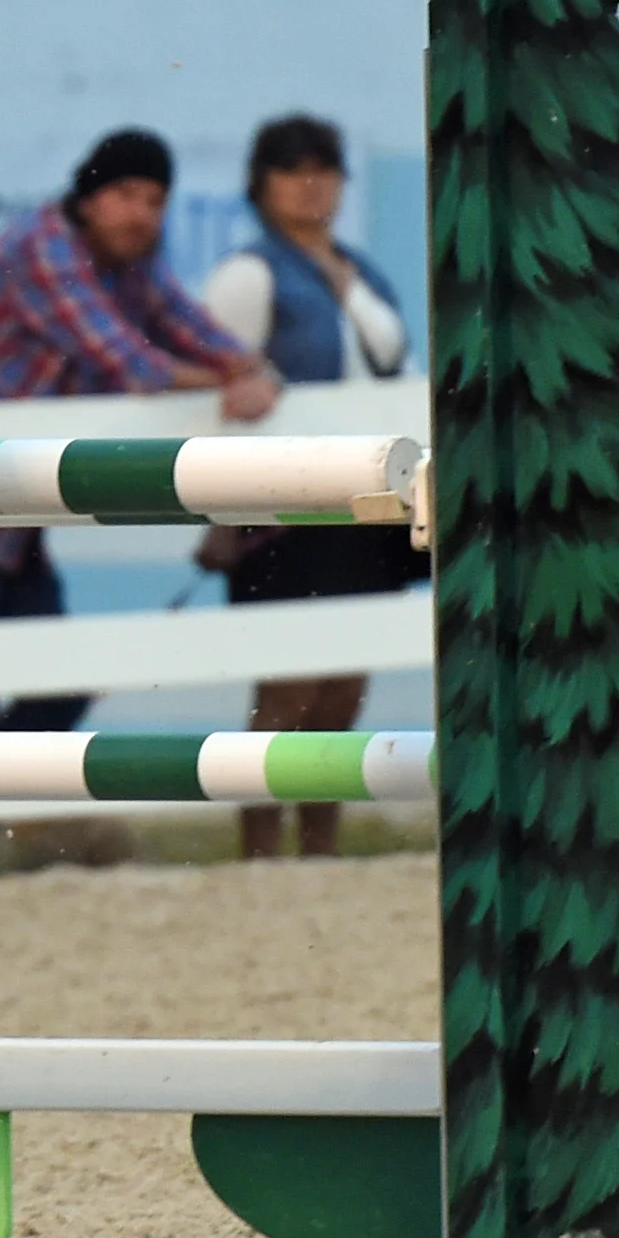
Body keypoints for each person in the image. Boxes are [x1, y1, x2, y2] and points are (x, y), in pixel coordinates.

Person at [0, 129, 279, 878]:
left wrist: (245, 364)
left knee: (54, 678)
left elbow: (185, 326)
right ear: (87, 198)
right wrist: (231, 380)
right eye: (126, 195)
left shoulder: (121, 261)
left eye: (154, 200)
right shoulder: (43, 250)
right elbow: (124, 360)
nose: (141, 214)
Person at [198, 117, 422, 862]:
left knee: (341, 688)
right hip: (286, 509)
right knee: (288, 686)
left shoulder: (362, 273)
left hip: (364, 507)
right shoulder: (247, 275)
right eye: (293, 169)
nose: (311, 183)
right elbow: (220, 384)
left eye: (324, 168)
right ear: (261, 183)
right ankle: (260, 845)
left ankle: (318, 845)